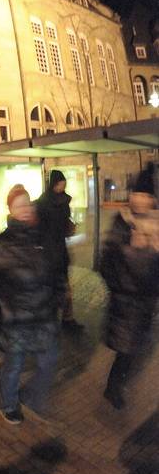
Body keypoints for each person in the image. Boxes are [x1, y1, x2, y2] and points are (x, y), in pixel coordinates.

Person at [0, 185, 63, 425]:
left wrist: (57, 295)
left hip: (43, 313)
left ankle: (30, 398)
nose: (25, 209)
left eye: (28, 203)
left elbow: (55, 271)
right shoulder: (1, 243)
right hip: (15, 318)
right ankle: (7, 403)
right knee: (14, 365)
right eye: (19, 205)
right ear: (10, 210)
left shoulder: (42, 237)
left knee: (48, 362)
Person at [99, 165, 159, 409]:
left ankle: (114, 386)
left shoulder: (156, 225)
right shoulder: (122, 223)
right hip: (125, 305)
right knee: (126, 351)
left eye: (147, 196)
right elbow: (106, 265)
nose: (141, 200)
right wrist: (135, 250)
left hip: (146, 304)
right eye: (138, 194)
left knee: (132, 351)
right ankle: (113, 388)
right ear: (131, 195)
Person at [36, 169, 83, 332]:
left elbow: (64, 222)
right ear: (54, 184)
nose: (62, 187)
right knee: (51, 287)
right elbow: (40, 227)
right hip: (48, 252)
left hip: (60, 250)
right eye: (60, 184)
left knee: (65, 287)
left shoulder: (63, 200)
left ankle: (68, 319)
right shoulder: (42, 203)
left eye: (64, 184)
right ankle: (50, 319)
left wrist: (70, 227)